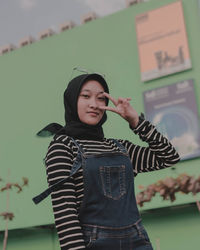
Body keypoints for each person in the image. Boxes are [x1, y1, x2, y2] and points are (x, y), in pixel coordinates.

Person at [33, 73, 180, 250]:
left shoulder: (119, 147)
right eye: (85, 96)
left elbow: (169, 157)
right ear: (72, 100)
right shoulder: (62, 147)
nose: (94, 104)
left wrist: (135, 121)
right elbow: (65, 216)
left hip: (137, 241)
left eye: (101, 98)